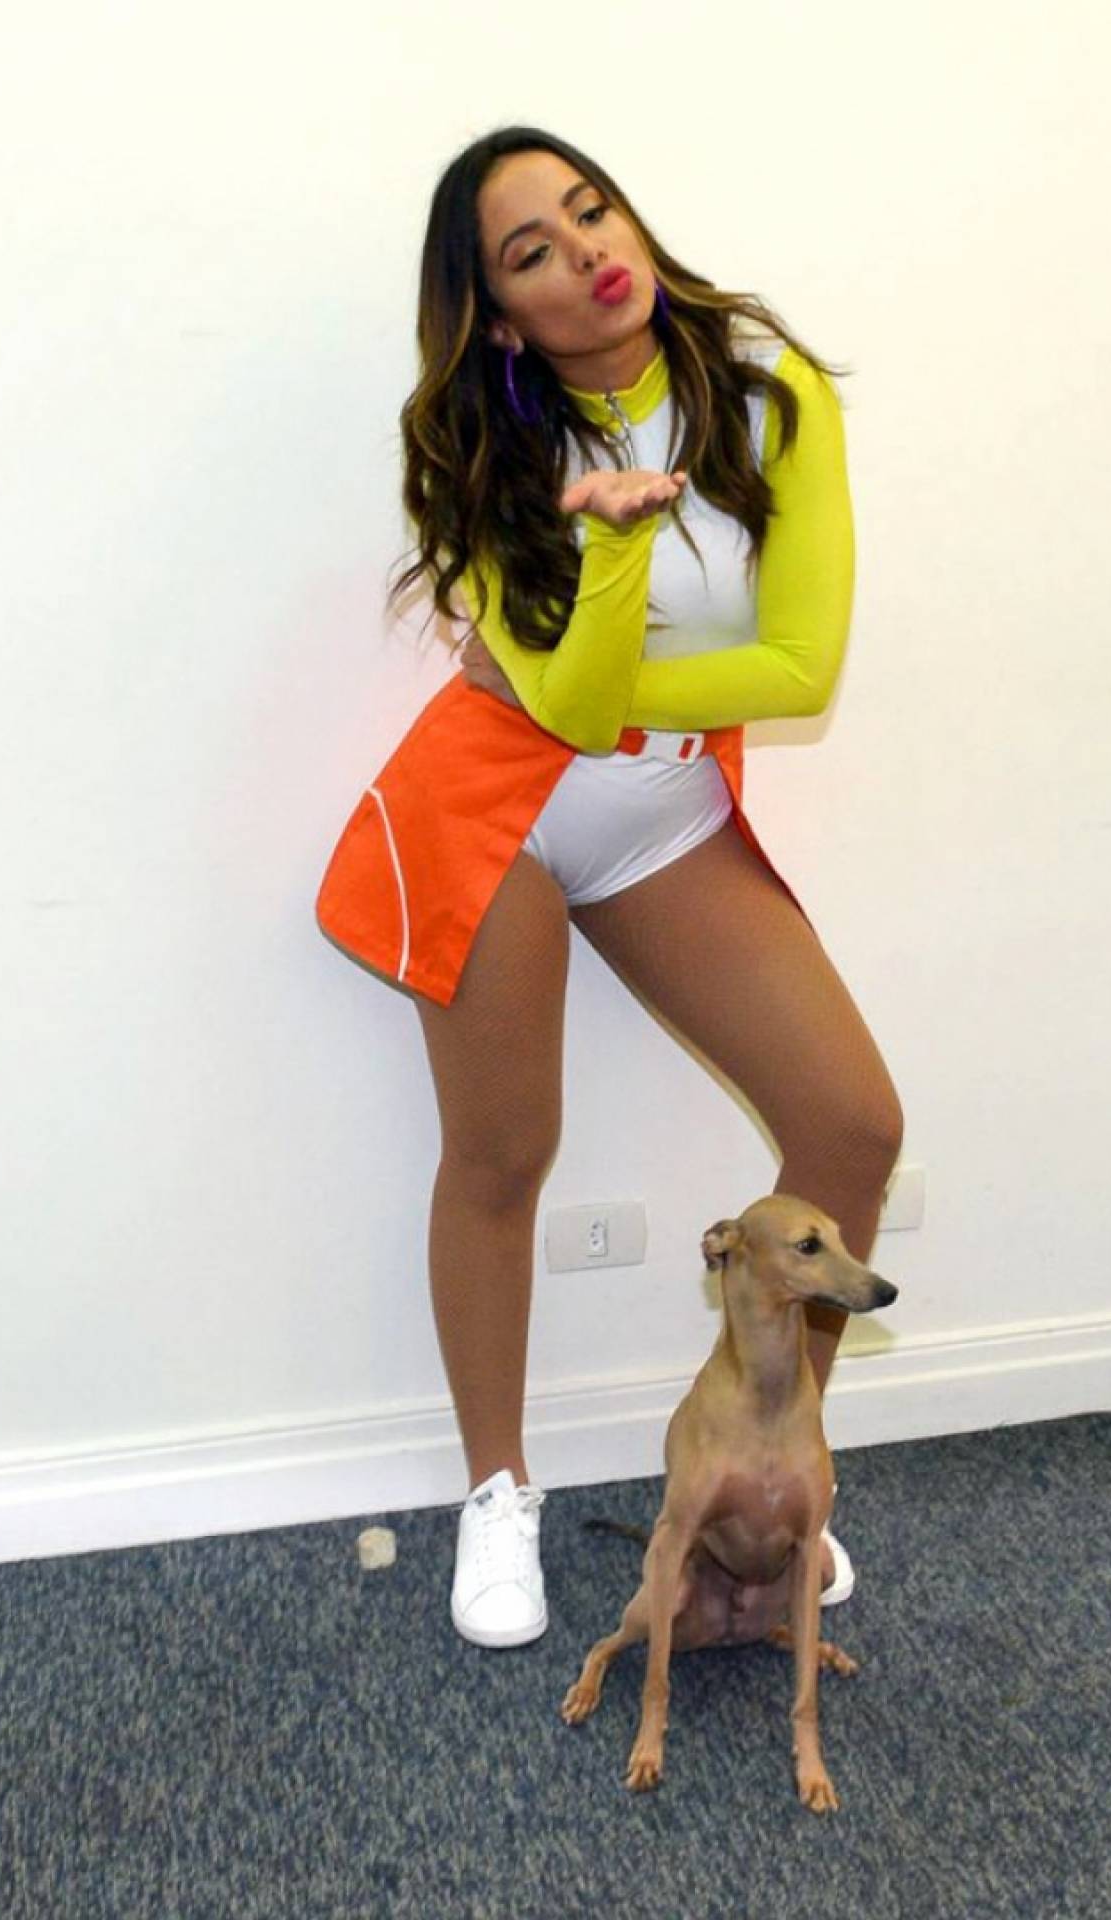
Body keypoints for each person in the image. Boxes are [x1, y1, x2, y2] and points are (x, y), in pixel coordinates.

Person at [316, 125, 904, 1649]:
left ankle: (771, 1478)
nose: (586, 252)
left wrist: (570, 660)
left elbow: (798, 666)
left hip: (659, 811)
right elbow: (561, 714)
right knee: (504, 1150)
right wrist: (607, 575)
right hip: (495, 813)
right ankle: (496, 1491)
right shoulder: (487, 449)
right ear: (503, 318)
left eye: (592, 210)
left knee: (850, 1122)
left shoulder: (769, 394)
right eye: (534, 251)